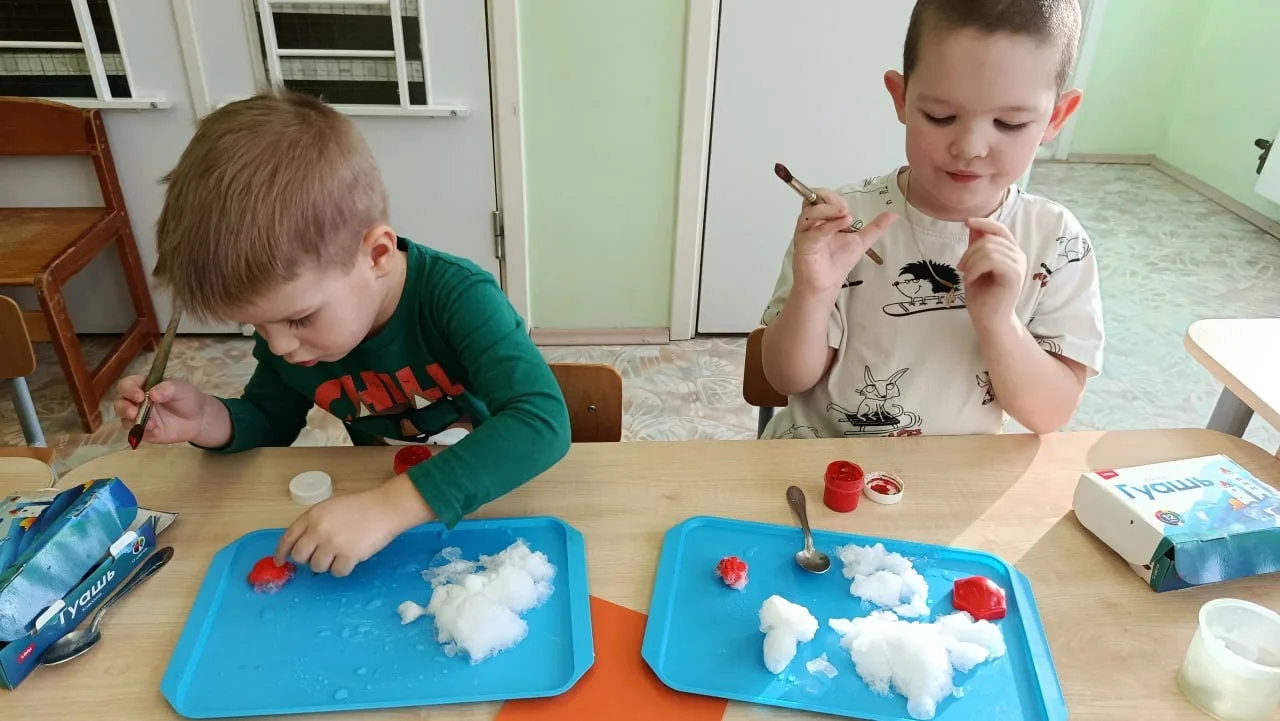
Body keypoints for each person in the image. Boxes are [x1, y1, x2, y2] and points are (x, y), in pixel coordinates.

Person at [114, 88, 571, 576]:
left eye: (299, 319)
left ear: (377, 255)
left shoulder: (458, 297)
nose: (278, 345)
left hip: (487, 504)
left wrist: (391, 506)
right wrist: (205, 418)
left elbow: (541, 422)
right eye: (255, 325)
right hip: (388, 516)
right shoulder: (291, 336)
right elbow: (270, 418)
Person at [760, 0, 1103, 440]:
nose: (970, 147)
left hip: (951, 477)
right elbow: (786, 378)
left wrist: (1000, 324)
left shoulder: (1055, 242)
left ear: (1056, 118)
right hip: (823, 463)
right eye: (941, 117)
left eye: (1009, 123)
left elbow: (1049, 415)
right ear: (901, 98)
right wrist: (813, 293)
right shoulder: (844, 225)